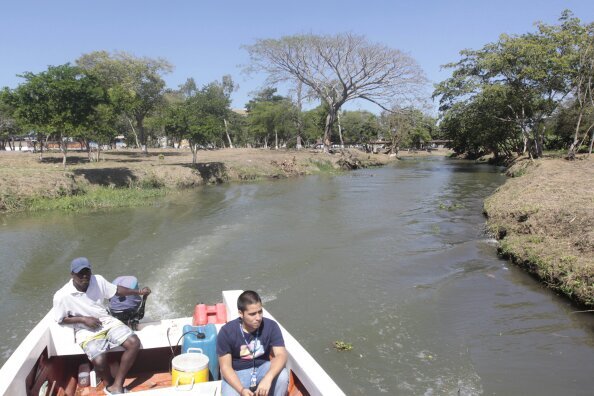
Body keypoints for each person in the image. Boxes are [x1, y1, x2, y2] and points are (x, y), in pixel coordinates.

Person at [53, 257, 151, 395]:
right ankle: (109, 384)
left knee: (134, 342)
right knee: (99, 360)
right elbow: (60, 319)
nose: (85, 276)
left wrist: (138, 292)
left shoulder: (97, 280)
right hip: (84, 329)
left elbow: (117, 290)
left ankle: (117, 385)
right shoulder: (62, 296)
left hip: (106, 321)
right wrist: (83, 319)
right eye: (80, 273)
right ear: (72, 275)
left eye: (87, 271)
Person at [217, 290, 289, 396]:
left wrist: (267, 378)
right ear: (241, 313)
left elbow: (281, 355)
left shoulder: (271, 326)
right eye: (252, 314)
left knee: (282, 376)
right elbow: (225, 367)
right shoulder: (226, 332)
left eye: (260, 312)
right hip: (237, 374)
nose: (258, 318)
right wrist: (241, 390)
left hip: (263, 368)